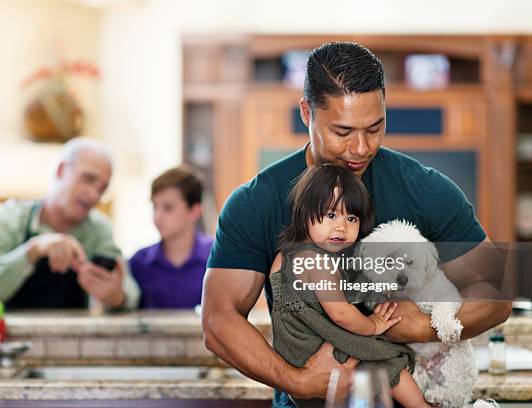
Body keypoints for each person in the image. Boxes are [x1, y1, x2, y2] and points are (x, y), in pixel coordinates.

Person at [201, 41, 512, 406]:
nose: (361, 148)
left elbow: (497, 294)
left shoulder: (427, 190)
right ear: (306, 113)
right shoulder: (256, 201)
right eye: (343, 132)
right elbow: (218, 320)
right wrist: (297, 381)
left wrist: (421, 327)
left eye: (375, 128)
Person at [270, 164, 428, 407]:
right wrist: (373, 325)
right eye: (331, 215)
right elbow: (342, 314)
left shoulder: (284, 256)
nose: (342, 226)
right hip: (317, 356)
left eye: (351, 218)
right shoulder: (318, 262)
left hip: (294, 358)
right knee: (386, 358)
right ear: (304, 213)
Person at [0, 138, 140, 310]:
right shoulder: (2, 220)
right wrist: (33, 250)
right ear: (61, 170)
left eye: (102, 189)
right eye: (88, 179)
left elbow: (130, 290)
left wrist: (118, 297)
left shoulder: (99, 229)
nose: (94, 195)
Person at [129, 166, 213, 308]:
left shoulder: (219, 258)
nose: (158, 216)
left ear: (194, 211)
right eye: (155, 207)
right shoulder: (139, 262)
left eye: (168, 208)